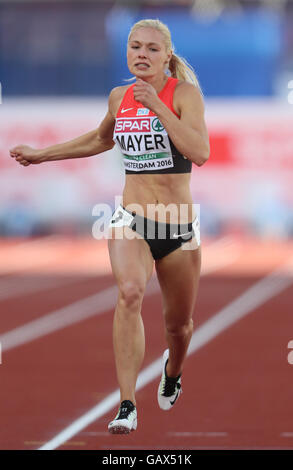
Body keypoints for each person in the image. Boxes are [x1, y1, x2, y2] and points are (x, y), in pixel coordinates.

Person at [9, 19, 210, 435]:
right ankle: (126, 404)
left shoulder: (184, 95)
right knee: (130, 292)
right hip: (131, 218)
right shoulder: (119, 97)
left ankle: (173, 371)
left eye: (152, 49)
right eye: (135, 46)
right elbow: (100, 138)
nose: (141, 54)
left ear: (166, 57)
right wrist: (42, 155)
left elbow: (200, 151)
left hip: (178, 226)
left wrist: (157, 106)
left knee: (180, 326)